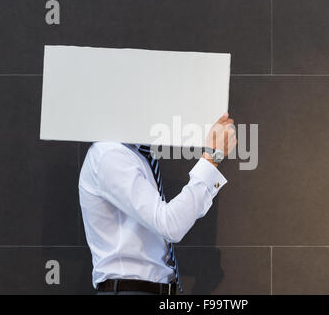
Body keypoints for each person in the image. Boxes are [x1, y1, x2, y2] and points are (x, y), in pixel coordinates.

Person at [78, 113, 237, 295]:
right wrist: (212, 157)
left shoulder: (136, 156)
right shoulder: (110, 153)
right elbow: (170, 224)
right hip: (130, 291)